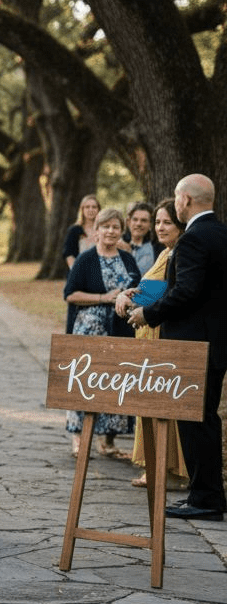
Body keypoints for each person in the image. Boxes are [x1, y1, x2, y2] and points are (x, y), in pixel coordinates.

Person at [128, 174, 227, 522]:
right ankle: (208, 495)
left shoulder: (193, 239)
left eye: (176, 199)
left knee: (196, 421)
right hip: (215, 344)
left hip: (192, 346)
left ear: (185, 200)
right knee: (204, 419)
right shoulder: (221, 234)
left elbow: (185, 293)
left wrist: (147, 313)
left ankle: (206, 499)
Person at [116, 199, 188, 489]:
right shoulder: (165, 253)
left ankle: (168, 470)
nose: (159, 227)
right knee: (147, 405)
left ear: (180, 224)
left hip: (161, 336)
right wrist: (127, 293)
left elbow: (168, 295)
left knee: (161, 405)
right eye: (157, 222)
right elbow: (150, 289)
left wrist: (133, 298)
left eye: (166, 222)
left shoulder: (179, 254)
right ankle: (156, 466)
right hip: (146, 337)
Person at [63, 207, 141, 459]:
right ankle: (78, 438)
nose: (110, 231)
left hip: (119, 330)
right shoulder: (85, 259)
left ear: (121, 231)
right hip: (89, 329)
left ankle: (108, 441)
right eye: (105, 226)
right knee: (84, 383)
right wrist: (104, 297)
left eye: (115, 227)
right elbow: (70, 294)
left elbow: (137, 290)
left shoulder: (128, 259)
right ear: (96, 230)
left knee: (116, 382)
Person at [120, 202, 161, 274]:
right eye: (135, 219)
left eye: (144, 220)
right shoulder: (118, 242)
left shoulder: (152, 250)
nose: (138, 224)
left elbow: (136, 277)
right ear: (129, 222)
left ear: (150, 225)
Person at [63, 194, 101, 268]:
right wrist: (76, 272)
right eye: (87, 207)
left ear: (98, 210)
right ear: (82, 210)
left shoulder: (103, 229)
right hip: (79, 270)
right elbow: (69, 254)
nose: (91, 210)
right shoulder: (74, 230)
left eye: (94, 207)